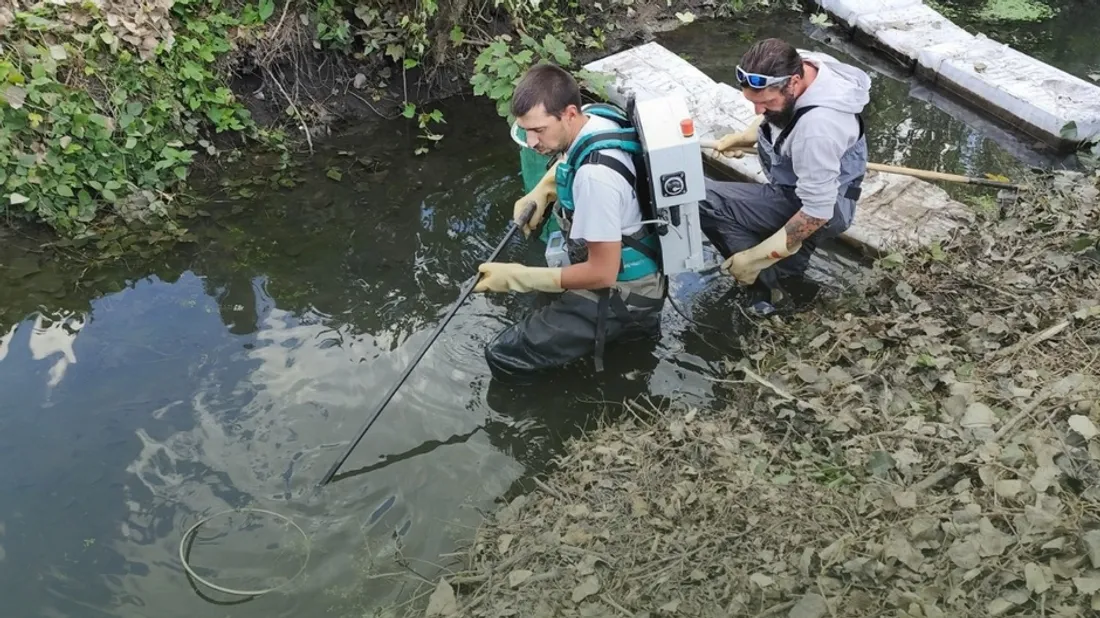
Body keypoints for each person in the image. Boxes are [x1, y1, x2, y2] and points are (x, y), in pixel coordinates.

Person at [472, 63, 666, 379]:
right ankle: (632, 342)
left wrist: (517, 277)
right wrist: (541, 192)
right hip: (635, 270)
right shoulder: (595, 119)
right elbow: (569, 159)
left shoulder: (595, 179)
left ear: (569, 114)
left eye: (539, 130)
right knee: (537, 309)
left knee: (503, 354)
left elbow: (602, 274)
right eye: (526, 130)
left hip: (627, 291)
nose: (532, 142)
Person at [702, 38, 871, 317]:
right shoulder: (806, 64)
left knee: (704, 199)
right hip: (811, 186)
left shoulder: (818, 130)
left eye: (766, 102)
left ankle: (758, 281)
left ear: (793, 83)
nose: (758, 111)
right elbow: (780, 111)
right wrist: (750, 135)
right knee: (785, 276)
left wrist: (754, 258)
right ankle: (785, 296)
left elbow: (816, 213)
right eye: (752, 102)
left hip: (818, 207)